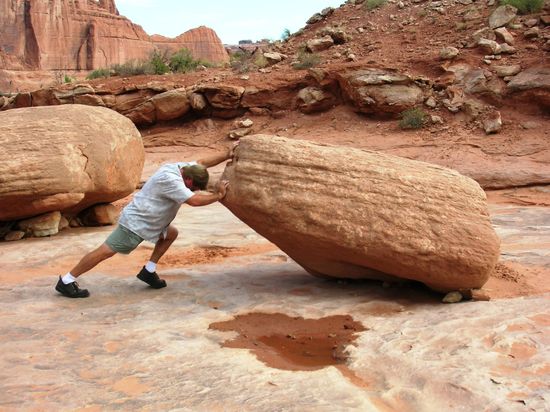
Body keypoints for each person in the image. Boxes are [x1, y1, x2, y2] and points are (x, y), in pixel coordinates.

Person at [55, 145, 235, 298]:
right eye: (193, 187)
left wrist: (227, 154)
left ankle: (148, 271)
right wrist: (218, 195)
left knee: (171, 234)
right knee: (105, 252)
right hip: (136, 224)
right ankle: (67, 280)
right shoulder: (171, 180)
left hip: (154, 223)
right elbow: (194, 201)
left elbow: (203, 163)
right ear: (187, 179)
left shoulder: (183, 168)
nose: (194, 191)